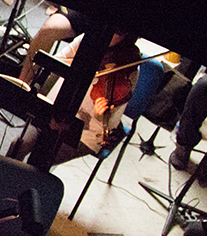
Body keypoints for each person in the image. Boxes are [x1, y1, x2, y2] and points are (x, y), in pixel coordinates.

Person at [9, 29, 141, 164]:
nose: (114, 35)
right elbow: (56, 61)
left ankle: (28, 184)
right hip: (55, 111)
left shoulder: (129, 69)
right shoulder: (90, 38)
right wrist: (82, 64)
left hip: (86, 132)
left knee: (41, 158)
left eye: (120, 33)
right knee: (17, 146)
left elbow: (105, 116)